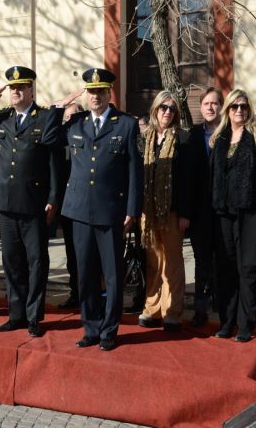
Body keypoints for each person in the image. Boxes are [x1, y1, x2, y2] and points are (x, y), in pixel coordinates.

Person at [53, 68, 142, 351]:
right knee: (85, 273)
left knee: (113, 275)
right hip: (79, 211)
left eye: (100, 92)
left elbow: (134, 171)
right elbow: (47, 136)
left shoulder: (125, 125)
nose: (95, 97)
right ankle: (90, 327)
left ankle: (109, 331)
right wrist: (61, 105)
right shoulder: (76, 123)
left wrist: (132, 208)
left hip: (111, 211)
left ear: (108, 94)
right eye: (91, 92)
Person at [0, 66, 61, 337]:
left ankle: (34, 317)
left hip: (33, 204)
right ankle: (16, 314)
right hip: (5, 203)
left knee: (36, 263)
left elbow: (54, 161)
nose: (15, 91)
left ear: (31, 89)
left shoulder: (43, 118)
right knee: (11, 263)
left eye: (20, 87)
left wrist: (53, 198)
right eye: (12, 87)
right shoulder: (3, 118)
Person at [209, 89, 256, 342]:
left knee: (247, 271)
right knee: (226, 270)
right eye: (235, 106)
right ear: (227, 110)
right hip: (223, 214)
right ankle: (227, 323)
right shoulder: (219, 139)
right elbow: (213, 179)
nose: (240, 110)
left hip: (251, 214)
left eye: (244, 106)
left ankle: (246, 326)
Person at [137, 91, 194, 332]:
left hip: (172, 211)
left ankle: (172, 313)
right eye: (163, 107)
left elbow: (189, 180)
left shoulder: (183, 139)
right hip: (147, 213)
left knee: (172, 262)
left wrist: (185, 213)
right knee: (153, 261)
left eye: (172, 108)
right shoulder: (143, 139)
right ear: (155, 110)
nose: (167, 112)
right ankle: (151, 308)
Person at [188, 87, 223, 326]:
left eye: (215, 103)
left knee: (223, 261)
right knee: (201, 262)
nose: (210, 107)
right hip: (200, 212)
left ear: (221, 107)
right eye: (206, 103)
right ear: (200, 107)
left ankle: (223, 307)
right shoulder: (191, 135)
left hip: (223, 212)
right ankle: (200, 308)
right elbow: (186, 177)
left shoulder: (230, 133)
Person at [57, 101, 84, 310]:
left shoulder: (87, 136)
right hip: (67, 205)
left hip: (86, 204)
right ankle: (75, 292)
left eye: (73, 117)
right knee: (72, 254)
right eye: (66, 117)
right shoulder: (61, 138)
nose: (69, 121)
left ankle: (93, 294)